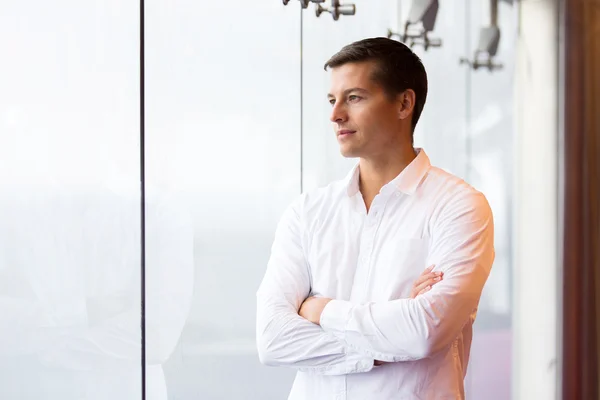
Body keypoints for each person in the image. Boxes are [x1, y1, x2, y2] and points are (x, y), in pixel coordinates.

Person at [256, 37, 495, 399]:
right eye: (332, 100)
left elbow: (424, 331)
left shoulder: (459, 207)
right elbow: (273, 338)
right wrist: (387, 342)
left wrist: (321, 310)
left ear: (404, 103)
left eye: (354, 97)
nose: (336, 114)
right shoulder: (308, 212)